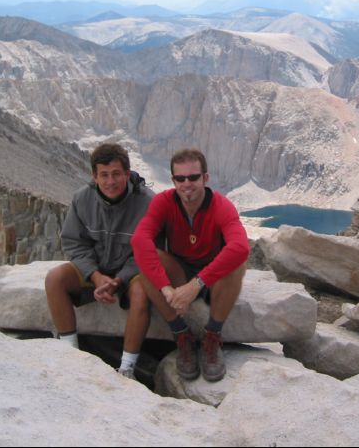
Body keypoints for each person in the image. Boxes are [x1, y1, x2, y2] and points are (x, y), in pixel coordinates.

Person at [132, 148, 249, 382]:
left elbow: (240, 247)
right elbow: (139, 240)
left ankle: (211, 337)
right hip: (179, 271)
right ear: (173, 180)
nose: (187, 184)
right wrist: (167, 289)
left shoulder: (221, 205)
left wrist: (195, 286)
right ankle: (181, 335)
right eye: (180, 178)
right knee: (145, 266)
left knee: (238, 263)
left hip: (212, 278)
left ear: (205, 178)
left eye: (194, 177)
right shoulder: (164, 202)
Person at [45, 143, 154, 380]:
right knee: (55, 279)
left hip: (130, 273)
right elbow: (74, 242)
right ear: (94, 176)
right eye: (103, 175)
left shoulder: (147, 203)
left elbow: (149, 251)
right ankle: (70, 354)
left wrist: (118, 279)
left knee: (142, 292)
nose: (110, 181)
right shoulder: (82, 199)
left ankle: (127, 368)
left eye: (116, 174)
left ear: (128, 173)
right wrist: (95, 275)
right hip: (96, 271)